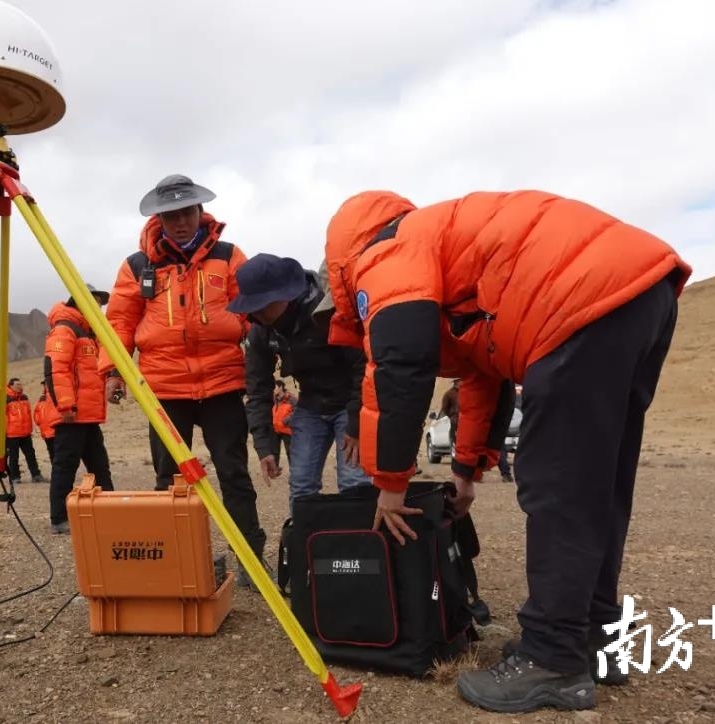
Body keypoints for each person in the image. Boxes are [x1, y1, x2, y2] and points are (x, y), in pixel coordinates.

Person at [319, 189, 690, 713]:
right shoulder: (442, 245)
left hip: (577, 302)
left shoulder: (384, 254)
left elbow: (401, 366)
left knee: (559, 487)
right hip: (640, 290)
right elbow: (481, 374)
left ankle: (553, 659)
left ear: (341, 262)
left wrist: (390, 483)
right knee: (598, 485)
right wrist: (468, 469)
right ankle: (594, 636)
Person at [99, 174, 267, 584]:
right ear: (159, 217)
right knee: (169, 479)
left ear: (199, 212)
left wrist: (243, 332)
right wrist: (113, 370)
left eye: (186, 212)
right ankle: (174, 562)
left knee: (233, 474)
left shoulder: (229, 256)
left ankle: (249, 559)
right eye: (170, 215)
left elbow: (248, 307)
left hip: (222, 385)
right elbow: (120, 320)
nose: (180, 222)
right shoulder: (137, 266)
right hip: (164, 387)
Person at [229, 254, 373, 514]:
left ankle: (361, 548)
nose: (257, 312)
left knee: (354, 483)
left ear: (285, 294)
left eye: (263, 304)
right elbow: (258, 390)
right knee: (302, 487)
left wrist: (356, 421)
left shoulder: (327, 310)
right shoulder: (261, 330)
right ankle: (306, 546)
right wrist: (265, 448)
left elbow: (362, 367)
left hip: (350, 402)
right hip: (310, 405)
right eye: (253, 306)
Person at [45, 284, 115, 534]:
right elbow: (56, 369)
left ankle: (110, 510)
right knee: (65, 465)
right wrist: (66, 405)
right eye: (95, 301)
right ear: (80, 302)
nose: (99, 307)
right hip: (71, 415)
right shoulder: (65, 329)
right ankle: (59, 519)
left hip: (87, 415)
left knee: (99, 464)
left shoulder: (88, 334)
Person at [5, 377, 43, 484]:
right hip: (12, 434)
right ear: (11, 386)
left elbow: (28, 414)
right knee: (14, 457)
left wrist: (31, 428)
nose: (20, 386)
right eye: (17, 385)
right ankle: (15, 477)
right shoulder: (6, 398)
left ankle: (36, 475)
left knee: (31, 454)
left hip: (25, 432)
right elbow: (2, 416)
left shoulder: (24, 397)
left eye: (21, 384)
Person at [33, 380, 59, 478]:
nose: (45, 386)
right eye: (44, 384)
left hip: (56, 430)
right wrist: (40, 423)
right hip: (47, 432)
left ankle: (59, 471)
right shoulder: (41, 399)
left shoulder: (54, 396)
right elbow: (36, 413)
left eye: (46, 384)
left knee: (58, 452)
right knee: (52, 452)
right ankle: (56, 471)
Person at [271, 384, 294, 467]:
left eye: (275, 387)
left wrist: (286, 420)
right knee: (275, 450)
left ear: (281, 387)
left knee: (290, 451)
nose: (274, 389)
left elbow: (297, 410)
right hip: (276, 428)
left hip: (287, 429)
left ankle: (294, 470)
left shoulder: (290, 398)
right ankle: (275, 469)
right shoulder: (275, 398)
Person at [437, 378, 461, 449]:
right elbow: (445, 408)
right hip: (455, 419)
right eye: (460, 381)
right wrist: (451, 415)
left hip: (465, 419)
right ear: (456, 382)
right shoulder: (449, 394)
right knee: (454, 436)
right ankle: (454, 450)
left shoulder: (465, 392)